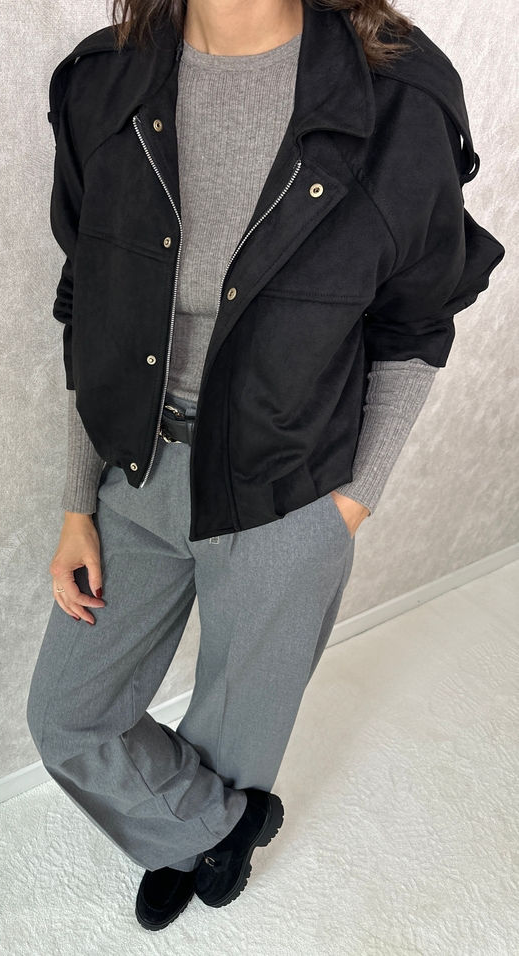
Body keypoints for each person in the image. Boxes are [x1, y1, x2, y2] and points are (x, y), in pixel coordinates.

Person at [26, 0, 505, 933]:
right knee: (67, 717)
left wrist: (350, 504)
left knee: (241, 717)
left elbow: (415, 326)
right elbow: (89, 303)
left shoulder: (399, 100)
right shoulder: (102, 83)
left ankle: (196, 836)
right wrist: (77, 501)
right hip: (136, 466)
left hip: (292, 484)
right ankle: (210, 830)